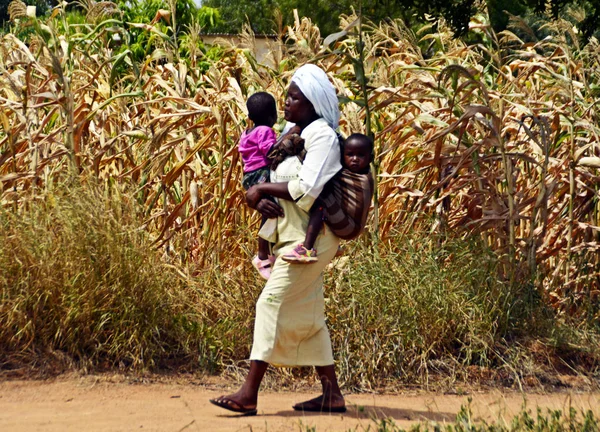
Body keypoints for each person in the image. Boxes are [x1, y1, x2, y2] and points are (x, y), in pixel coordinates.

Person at [209, 64, 346, 416]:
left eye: (294, 97)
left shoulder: (322, 137)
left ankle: (249, 393)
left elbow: (306, 188)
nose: (285, 102)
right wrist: (254, 194)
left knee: (269, 304)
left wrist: (262, 189)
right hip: (288, 235)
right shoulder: (289, 132)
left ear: (313, 101)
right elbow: (263, 176)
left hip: (313, 240)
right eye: (286, 95)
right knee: (309, 315)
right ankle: (331, 394)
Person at [281, 133, 375, 263]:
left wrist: (300, 153)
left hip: (349, 227)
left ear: (370, 158)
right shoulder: (357, 171)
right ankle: (331, 245)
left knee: (319, 194)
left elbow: (321, 170)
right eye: (350, 154)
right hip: (351, 225)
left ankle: (307, 249)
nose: (355, 159)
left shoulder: (360, 179)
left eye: (360, 155)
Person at [238, 92, 278, 279]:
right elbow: (270, 151)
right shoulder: (265, 131)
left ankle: (268, 252)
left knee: (269, 212)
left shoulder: (247, 133)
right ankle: (262, 255)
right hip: (261, 174)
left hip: (249, 176)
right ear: (273, 116)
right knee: (270, 210)